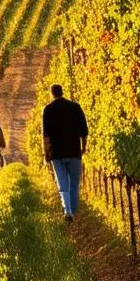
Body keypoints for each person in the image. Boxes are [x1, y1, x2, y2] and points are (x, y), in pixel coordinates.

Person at [42, 83, 88, 222]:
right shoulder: (75, 107)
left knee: (63, 184)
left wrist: (46, 154)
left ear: (52, 94)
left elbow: (46, 136)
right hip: (74, 151)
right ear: (62, 92)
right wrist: (83, 146)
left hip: (56, 153)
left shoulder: (48, 109)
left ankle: (67, 211)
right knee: (74, 183)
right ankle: (73, 211)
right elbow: (84, 131)